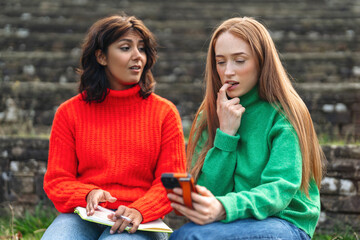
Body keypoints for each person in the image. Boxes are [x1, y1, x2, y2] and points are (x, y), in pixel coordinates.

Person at [167, 17, 324, 240]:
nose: (228, 71)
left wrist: (223, 207)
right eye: (220, 62)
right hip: (227, 223)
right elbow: (207, 196)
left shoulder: (284, 113)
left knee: (191, 237)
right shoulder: (211, 113)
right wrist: (226, 136)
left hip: (284, 223)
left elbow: (279, 190)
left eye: (239, 60)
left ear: (262, 61)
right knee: (185, 235)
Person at [42, 15, 186, 240]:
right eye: (126, 48)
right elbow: (57, 180)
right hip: (83, 216)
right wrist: (87, 193)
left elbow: (174, 183)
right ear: (101, 56)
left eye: (142, 49)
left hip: (139, 220)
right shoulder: (69, 112)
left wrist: (141, 210)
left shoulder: (164, 113)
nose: (138, 56)